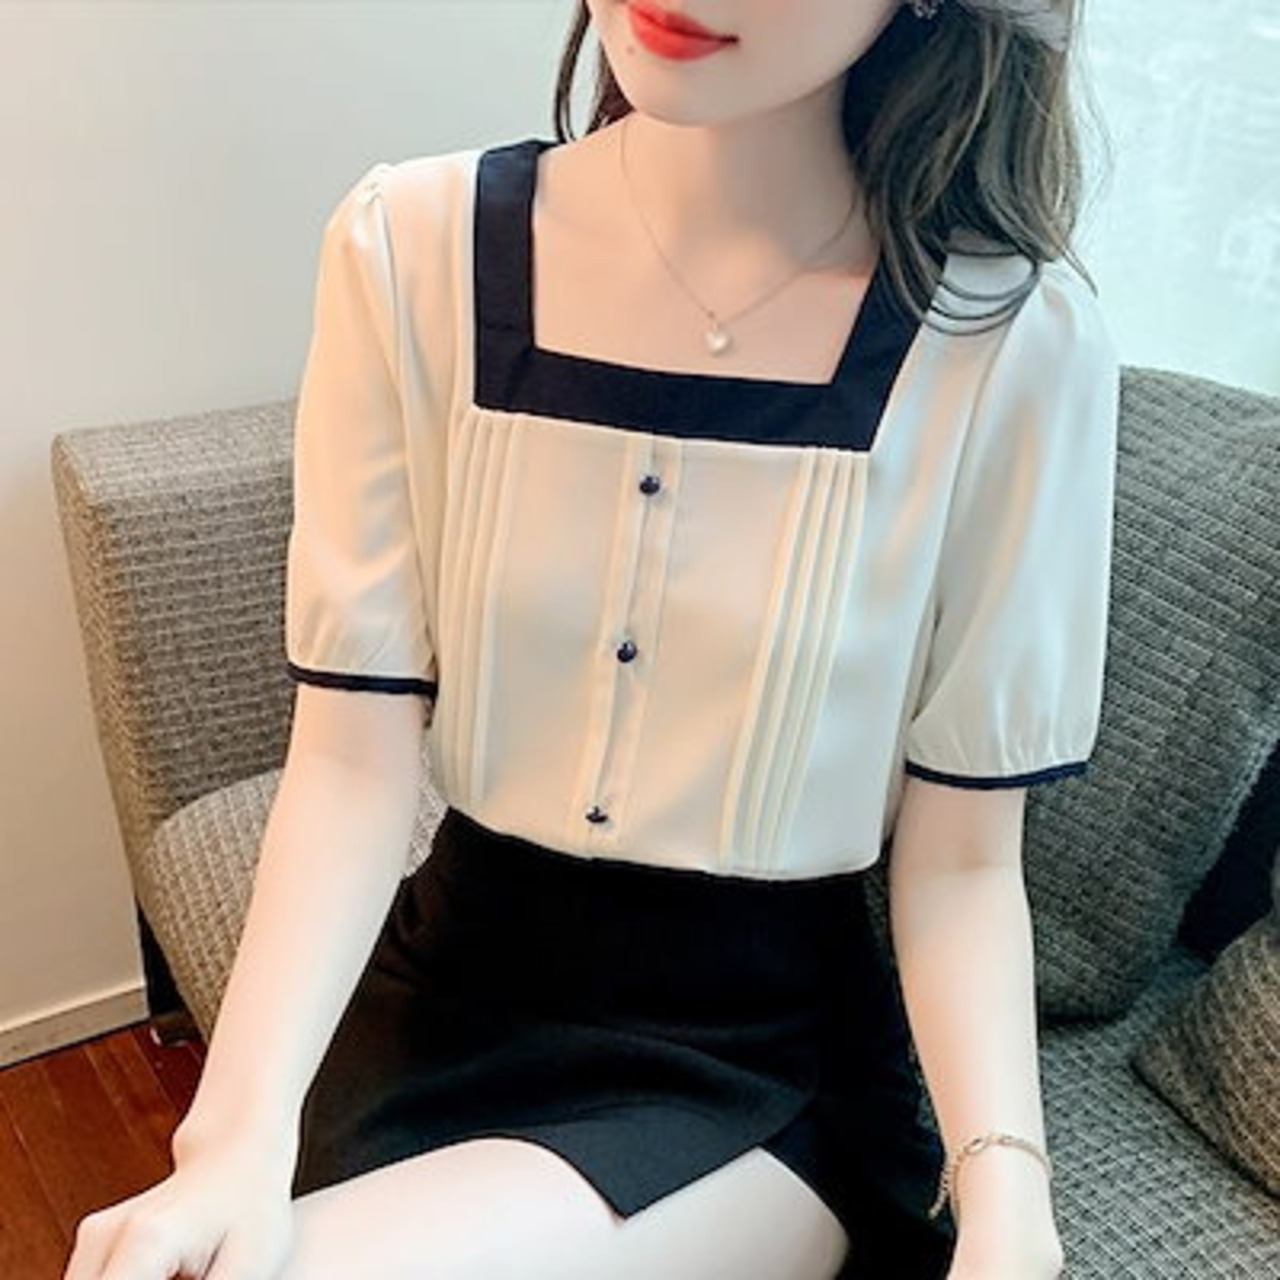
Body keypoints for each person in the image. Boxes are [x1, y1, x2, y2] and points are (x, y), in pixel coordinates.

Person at [64, 1, 1118, 1277]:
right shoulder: (409, 245)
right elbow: (347, 761)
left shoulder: (1009, 347)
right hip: (443, 983)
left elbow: (959, 866)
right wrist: (230, 1136)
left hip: (751, 1059)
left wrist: (1006, 1202)